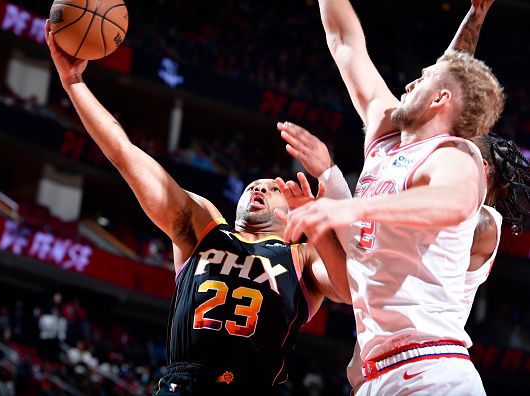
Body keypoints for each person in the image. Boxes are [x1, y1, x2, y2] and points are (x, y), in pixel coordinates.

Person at [44, 21, 349, 395]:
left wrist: (320, 227)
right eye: (254, 186)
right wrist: (74, 84)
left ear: (291, 210)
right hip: (183, 385)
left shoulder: (302, 256)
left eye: (272, 188)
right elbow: (126, 155)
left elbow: (351, 291)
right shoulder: (204, 227)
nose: (259, 188)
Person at [282, 0, 505, 394]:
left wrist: (351, 205)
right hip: (375, 374)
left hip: (434, 370)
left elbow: (453, 204)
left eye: (422, 79)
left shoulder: (454, 157)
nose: (407, 84)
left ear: (440, 101)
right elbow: (345, 42)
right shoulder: (385, 139)